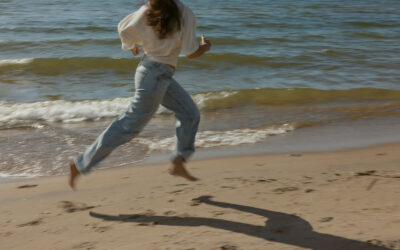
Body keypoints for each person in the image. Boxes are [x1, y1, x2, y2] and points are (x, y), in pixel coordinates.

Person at [68, 0, 211, 189]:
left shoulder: (150, 8)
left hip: (155, 74)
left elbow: (124, 28)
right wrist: (206, 46)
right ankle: (80, 165)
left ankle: (179, 162)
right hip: (155, 77)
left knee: (190, 114)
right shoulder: (185, 12)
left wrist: (131, 46)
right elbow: (191, 52)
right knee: (128, 126)